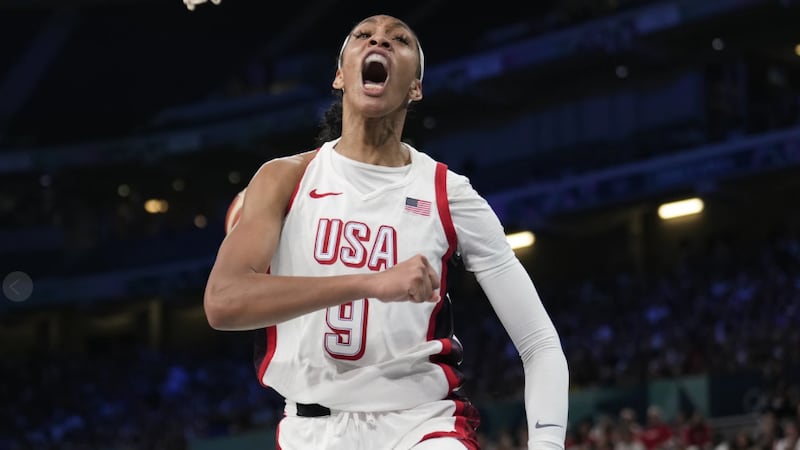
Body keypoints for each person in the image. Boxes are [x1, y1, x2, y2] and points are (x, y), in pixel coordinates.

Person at [204, 14, 568, 450]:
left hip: (420, 426)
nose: (379, 39)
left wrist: (546, 444)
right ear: (340, 75)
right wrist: (372, 282)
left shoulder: (447, 193)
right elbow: (223, 303)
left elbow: (539, 342)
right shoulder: (283, 179)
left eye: (399, 39)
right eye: (363, 35)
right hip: (309, 432)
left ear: (415, 86)